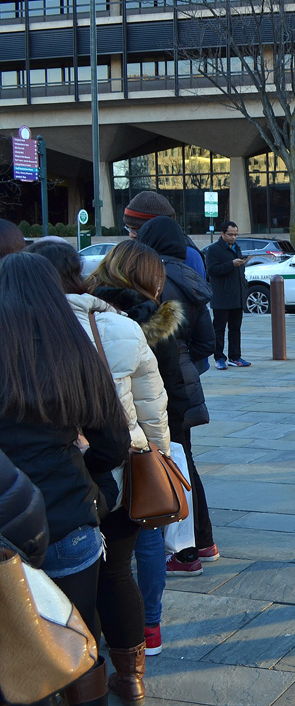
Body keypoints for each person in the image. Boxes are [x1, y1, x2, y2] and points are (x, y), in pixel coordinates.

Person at [28, 238, 170, 699]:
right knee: (116, 572)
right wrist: (159, 462)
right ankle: (130, 680)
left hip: (59, 472)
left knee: (58, 580)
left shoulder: (29, 327)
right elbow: (152, 406)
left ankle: (68, 672)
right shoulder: (120, 326)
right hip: (123, 465)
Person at [0, 252, 132, 706]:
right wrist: (81, 463)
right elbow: (114, 442)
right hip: (68, 516)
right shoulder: (75, 352)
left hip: (5, 528)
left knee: (12, 650)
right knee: (79, 638)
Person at [89, 240, 195, 663]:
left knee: (103, 555)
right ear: (154, 279)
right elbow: (159, 396)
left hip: (89, 448)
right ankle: (148, 629)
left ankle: (94, 637)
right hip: (136, 445)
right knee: (147, 532)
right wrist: (163, 454)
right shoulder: (152, 319)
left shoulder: (80, 311)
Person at [136, 217, 218, 576]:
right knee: (185, 459)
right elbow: (207, 343)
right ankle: (204, 541)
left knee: (166, 461)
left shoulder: (151, 279)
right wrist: (186, 359)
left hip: (158, 380)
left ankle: (185, 552)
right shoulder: (191, 278)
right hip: (186, 381)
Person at [123, 191, 206, 279]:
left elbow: (196, 290)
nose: (131, 235)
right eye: (128, 228)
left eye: (136, 230)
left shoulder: (189, 256)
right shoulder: (137, 252)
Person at [205, 219, 250, 369]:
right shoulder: (214, 250)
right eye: (230, 234)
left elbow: (239, 271)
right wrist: (231, 264)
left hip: (237, 296)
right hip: (222, 297)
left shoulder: (236, 248)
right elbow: (212, 270)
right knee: (219, 329)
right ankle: (219, 358)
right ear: (222, 233)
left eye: (235, 235)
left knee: (235, 329)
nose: (233, 237)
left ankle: (235, 356)